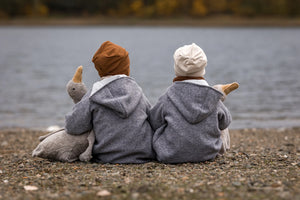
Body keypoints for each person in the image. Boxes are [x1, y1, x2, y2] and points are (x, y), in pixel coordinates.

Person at [65, 41, 155, 164]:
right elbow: (152, 118)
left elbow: (73, 126)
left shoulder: (94, 94)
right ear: (126, 66)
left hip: (107, 156)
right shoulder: (137, 90)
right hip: (143, 154)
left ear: (99, 69)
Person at [149, 43, 232, 163]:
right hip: (208, 153)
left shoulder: (168, 96)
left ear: (176, 66)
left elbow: (154, 121)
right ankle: (219, 150)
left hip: (170, 154)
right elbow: (226, 122)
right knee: (221, 117)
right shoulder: (211, 96)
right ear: (203, 67)